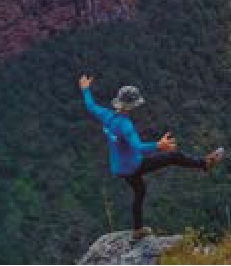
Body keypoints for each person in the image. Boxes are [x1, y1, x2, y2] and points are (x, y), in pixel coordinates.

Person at [79, 74, 223, 240]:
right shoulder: (125, 126)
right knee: (173, 157)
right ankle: (204, 163)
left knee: (140, 192)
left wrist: (85, 89)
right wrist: (159, 146)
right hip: (134, 165)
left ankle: (137, 230)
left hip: (119, 168)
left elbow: (90, 106)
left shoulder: (106, 116)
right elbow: (139, 148)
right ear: (133, 105)